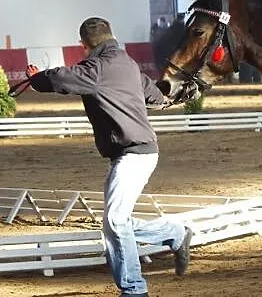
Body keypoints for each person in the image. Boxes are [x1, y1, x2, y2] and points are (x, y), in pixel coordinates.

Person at [25, 17, 192, 297]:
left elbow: (62, 78)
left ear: (84, 44)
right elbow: (152, 93)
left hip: (133, 154)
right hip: (139, 152)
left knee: (114, 221)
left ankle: (134, 289)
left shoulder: (96, 68)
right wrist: (168, 98)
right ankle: (174, 233)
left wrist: (37, 79)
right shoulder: (127, 63)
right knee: (117, 221)